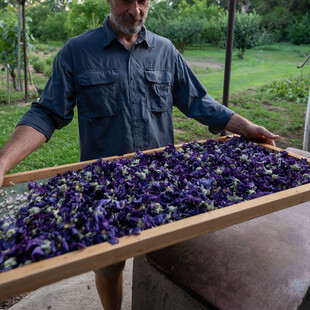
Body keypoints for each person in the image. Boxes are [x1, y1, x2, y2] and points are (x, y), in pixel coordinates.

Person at [0, 0, 279, 308]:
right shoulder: (77, 51)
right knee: (108, 265)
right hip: (103, 187)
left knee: (169, 255)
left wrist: (245, 126)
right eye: (125, 0)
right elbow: (47, 113)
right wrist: (3, 163)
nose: (134, 11)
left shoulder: (165, 50)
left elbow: (199, 101)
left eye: (142, 1)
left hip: (163, 184)